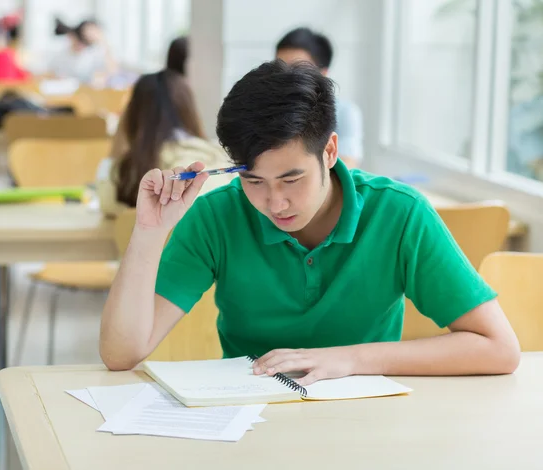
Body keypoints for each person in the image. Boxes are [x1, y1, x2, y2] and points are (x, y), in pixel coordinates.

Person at [99, 60, 520, 383]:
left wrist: (350, 359)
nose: (274, 201)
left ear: (331, 151)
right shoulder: (216, 217)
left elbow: (499, 348)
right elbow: (121, 354)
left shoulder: (399, 213)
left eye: (291, 178)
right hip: (249, 417)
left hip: (368, 415)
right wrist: (149, 233)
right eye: (254, 180)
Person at [96, 69, 231, 217]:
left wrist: (115, 150)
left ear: (132, 116)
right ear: (190, 111)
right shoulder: (219, 156)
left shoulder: (132, 168)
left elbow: (107, 203)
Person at [276, 27, 363, 168]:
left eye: (297, 69)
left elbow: (347, 166)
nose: (285, 76)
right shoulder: (268, 109)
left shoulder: (345, 112)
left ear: (322, 73)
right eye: (279, 68)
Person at [49, 18, 116, 85]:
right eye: (80, 39)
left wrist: (102, 40)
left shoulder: (93, 54)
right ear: (72, 36)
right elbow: (49, 74)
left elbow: (113, 71)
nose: (82, 44)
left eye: (87, 41)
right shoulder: (60, 56)